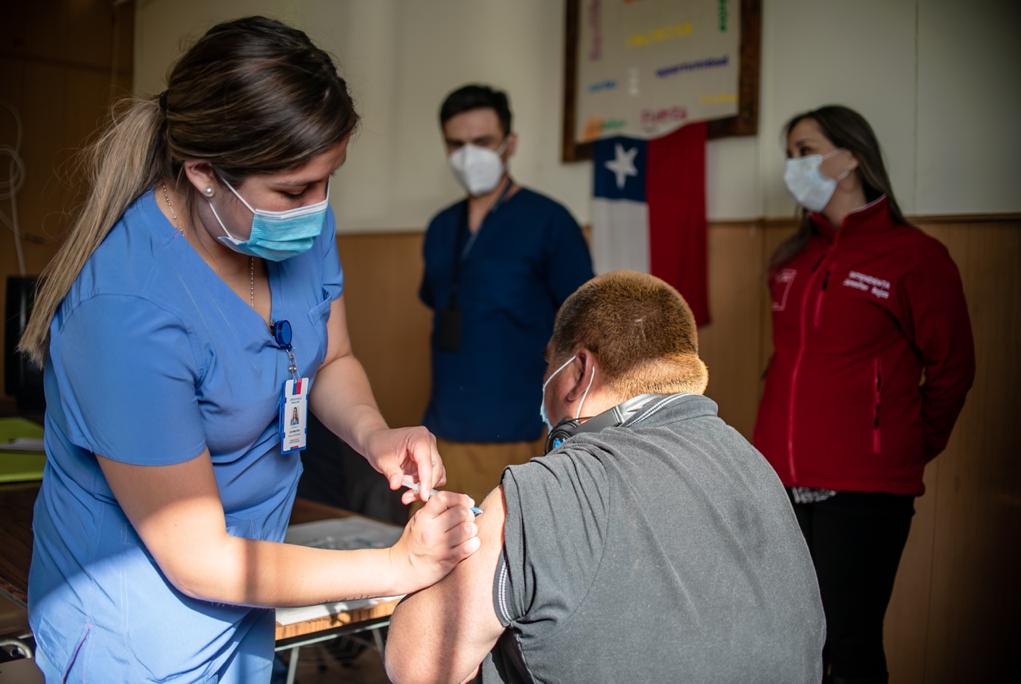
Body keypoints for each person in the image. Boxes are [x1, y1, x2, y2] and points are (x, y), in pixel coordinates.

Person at [19, 17, 479, 682]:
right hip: (140, 631)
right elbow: (199, 559)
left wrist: (374, 433)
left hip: (251, 589)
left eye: (328, 181)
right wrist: (399, 565)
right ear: (205, 173)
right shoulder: (125, 312)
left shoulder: (285, 222)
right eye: (295, 191)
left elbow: (330, 359)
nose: (318, 208)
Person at [386, 271, 826, 683]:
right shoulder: (754, 467)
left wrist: (430, 554)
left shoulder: (550, 490)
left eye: (548, 366)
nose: (544, 383)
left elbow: (416, 666)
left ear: (578, 372)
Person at [753, 105, 975, 683]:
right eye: (790, 154)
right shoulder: (793, 259)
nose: (793, 165)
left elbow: (953, 369)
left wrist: (901, 447)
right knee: (780, 635)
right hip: (778, 483)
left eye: (805, 150)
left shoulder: (914, 256)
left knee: (845, 645)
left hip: (863, 491)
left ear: (851, 157)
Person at [419, 84, 594, 503]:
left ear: (509, 144)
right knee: (437, 548)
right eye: (456, 144)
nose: (468, 155)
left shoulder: (549, 222)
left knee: (507, 554)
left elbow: (584, 327)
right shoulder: (442, 227)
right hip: (443, 425)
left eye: (482, 142)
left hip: (521, 424)